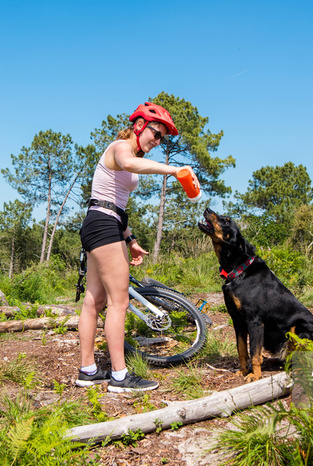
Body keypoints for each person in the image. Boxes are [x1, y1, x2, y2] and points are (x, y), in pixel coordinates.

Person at [76, 102, 198, 393]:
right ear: (140, 125)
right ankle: (120, 376)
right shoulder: (121, 147)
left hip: (102, 222)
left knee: (94, 301)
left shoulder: (130, 153)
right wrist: (174, 170)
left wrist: (130, 240)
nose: (157, 142)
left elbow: (114, 203)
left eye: (162, 139)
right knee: (119, 302)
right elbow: (129, 165)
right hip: (103, 226)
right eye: (156, 134)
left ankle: (88, 370)